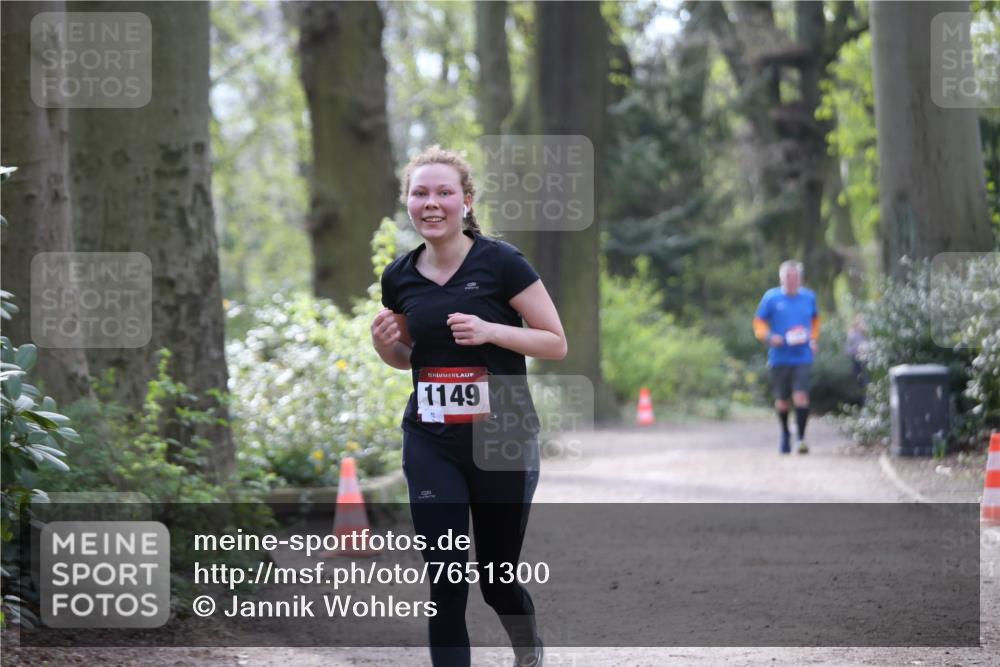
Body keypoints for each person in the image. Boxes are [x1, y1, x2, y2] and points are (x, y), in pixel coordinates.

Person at [371, 145, 566, 667]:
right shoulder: (400, 276)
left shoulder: (501, 262)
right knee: (447, 577)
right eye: (419, 193)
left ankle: (528, 647)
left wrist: (490, 330)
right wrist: (383, 344)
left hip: (501, 437)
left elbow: (554, 341)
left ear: (466, 201)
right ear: (408, 203)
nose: (430, 203)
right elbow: (409, 358)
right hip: (432, 437)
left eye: (443, 192)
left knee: (496, 578)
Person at [752, 260, 820, 454]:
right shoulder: (771, 298)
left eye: (795, 277)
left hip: (802, 356)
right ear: (781, 279)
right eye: (788, 277)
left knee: (801, 396)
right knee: (782, 401)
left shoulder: (808, 297)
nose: (792, 281)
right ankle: (784, 433)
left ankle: (800, 438)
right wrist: (768, 337)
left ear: (800, 279)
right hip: (779, 357)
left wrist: (813, 339)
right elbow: (758, 322)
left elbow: (815, 321)